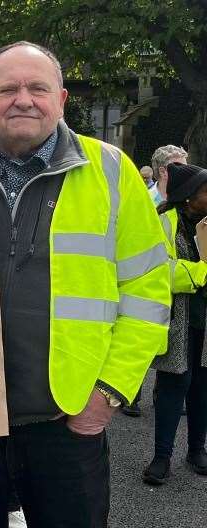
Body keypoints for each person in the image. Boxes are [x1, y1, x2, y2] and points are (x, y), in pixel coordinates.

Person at [0, 41, 170, 528]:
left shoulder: (112, 172)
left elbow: (148, 290)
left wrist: (109, 393)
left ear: (60, 98)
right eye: (8, 88)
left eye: (38, 87)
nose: (24, 99)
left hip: (67, 421)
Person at [142, 162, 207, 485]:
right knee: (173, 387)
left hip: (203, 321)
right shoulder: (163, 223)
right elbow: (161, 272)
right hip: (178, 320)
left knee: (202, 389)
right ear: (188, 196)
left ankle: (197, 450)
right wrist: (202, 271)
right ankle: (161, 457)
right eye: (205, 191)